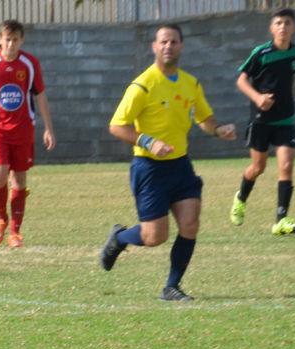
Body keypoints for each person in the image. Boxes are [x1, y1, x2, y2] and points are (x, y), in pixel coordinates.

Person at [101, 24, 236, 301]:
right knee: (154, 237)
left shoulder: (190, 83)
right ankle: (120, 238)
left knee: (190, 224)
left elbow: (204, 118)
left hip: (181, 166)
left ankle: (171, 287)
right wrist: (149, 142)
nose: (168, 46)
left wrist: (218, 129)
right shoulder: (142, 85)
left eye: (174, 41)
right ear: (154, 46)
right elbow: (117, 125)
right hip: (149, 169)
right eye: (163, 42)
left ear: (181, 46)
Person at [0, 19, 56, 248]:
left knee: (19, 179)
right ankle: (1, 219)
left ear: (21, 40)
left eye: (15, 40)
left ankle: (15, 232)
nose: (10, 44)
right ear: (0, 40)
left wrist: (48, 128)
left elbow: (40, 95)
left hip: (23, 130)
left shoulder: (30, 64)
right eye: (7, 40)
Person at [230, 8, 295, 235]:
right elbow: (241, 80)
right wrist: (258, 98)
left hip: (285, 120)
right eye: (279, 23)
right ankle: (241, 198)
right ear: (272, 28)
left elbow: (289, 78)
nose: (283, 27)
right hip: (261, 121)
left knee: (287, 166)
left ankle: (281, 220)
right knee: (258, 167)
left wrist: (288, 102)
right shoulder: (261, 53)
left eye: (287, 23)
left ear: (294, 27)